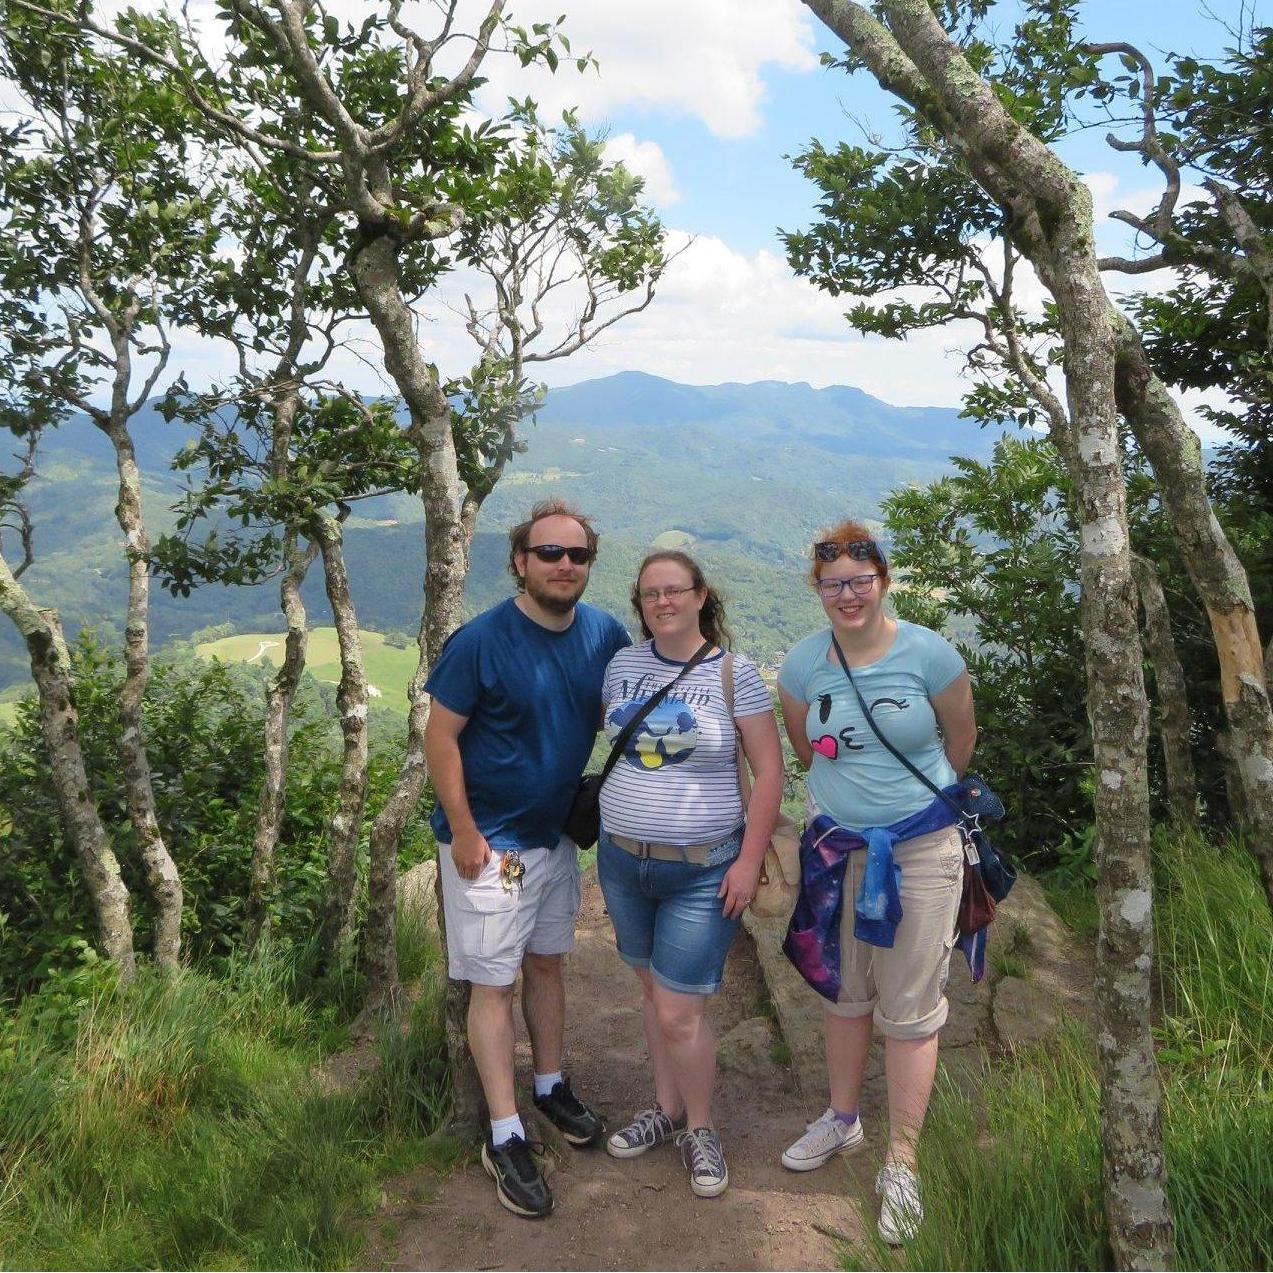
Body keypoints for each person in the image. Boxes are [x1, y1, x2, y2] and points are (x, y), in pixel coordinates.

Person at [424, 498, 631, 1221]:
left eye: (577, 556)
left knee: (547, 961)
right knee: (493, 984)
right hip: (493, 844)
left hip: (553, 837)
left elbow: (623, 714)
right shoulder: (480, 641)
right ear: (520, 559)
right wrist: (464, 829)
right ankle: (504, 1132)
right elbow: (440, 737)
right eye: (549, 553)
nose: (564, 566)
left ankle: (549, 1084)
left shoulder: (603, 632)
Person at [775, 520, 977, 1245]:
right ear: (818, 589)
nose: (848, 594)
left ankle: (901, 1160)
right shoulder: (802, 666)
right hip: (837, 848)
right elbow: (805, 750)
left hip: (921, 846)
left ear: (882, 579)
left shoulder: (928, 653)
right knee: (844, 990)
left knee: (910, 1003)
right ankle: (841, 1119)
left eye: (860, 580)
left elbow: (960, 740)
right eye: (833, 584)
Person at [596, 550, 783, 1199]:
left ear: (701, 595)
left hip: (702, 870)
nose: (662, 602)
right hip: (620, 861)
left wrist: (748, 859)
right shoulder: (620, 665)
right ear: (639, 602)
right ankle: (665, 1106)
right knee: (653, 995)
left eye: (674, 590)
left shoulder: (734, 676)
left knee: (679, 1009)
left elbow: (769, 773)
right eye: (650, 593)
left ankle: (699, 1127)